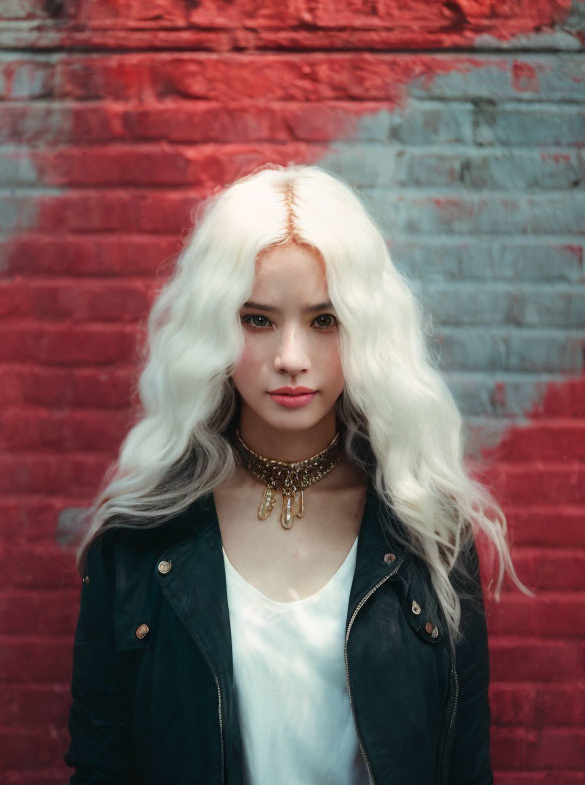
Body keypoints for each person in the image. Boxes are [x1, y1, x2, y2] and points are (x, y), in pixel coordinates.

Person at [63, 164, 529, 785]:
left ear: (365, 330)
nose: (290, 358)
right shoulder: (137, 541)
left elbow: (464, 767)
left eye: (323, 320)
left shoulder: (429, 534)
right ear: (213, 328)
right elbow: (101, 768)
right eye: (257, 320)